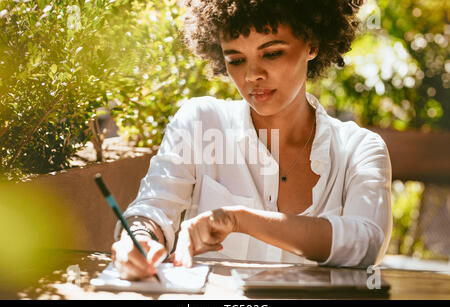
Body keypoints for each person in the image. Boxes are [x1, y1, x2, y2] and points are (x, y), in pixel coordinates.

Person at [111, 0, 392, 280]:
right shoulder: (200, 123)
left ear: (312, 44)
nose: (251, 75)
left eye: (271, 53)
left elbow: (366, 243)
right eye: (236, 59)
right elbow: (153, 207)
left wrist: (239, 220)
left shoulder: (360, 149)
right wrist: (137, 238)